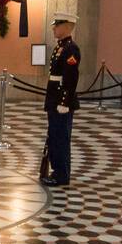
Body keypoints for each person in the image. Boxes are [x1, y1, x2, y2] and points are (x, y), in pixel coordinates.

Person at [41, 13, 80, 188]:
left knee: (61, 138)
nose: (54, 28)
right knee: (54, 136)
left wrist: (64, 102)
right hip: (54, 98)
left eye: (57, 25)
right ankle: (57, 171)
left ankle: (61, 175)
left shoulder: (71, 49)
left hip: (61, 101)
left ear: (67, 26)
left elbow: (70, 78)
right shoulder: (60, 47)